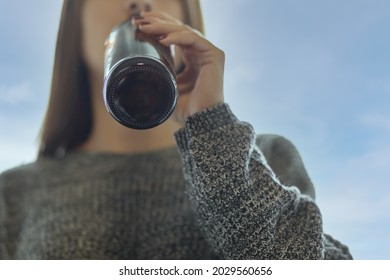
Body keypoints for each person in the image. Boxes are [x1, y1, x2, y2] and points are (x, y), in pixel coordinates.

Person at [0, 0, 352, 260]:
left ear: (188, 16)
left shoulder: (265, 156)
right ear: (72, 24)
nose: (140, 3)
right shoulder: (12, 193)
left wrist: (213, 130)